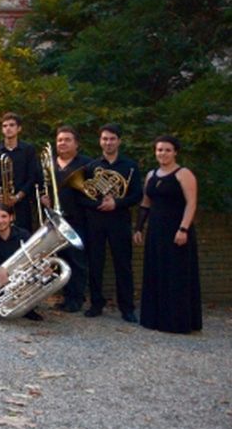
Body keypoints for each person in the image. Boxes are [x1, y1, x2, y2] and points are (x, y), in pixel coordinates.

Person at [133, 136, 201, 334]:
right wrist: (138, 228)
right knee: (156, 273)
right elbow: (146, 204)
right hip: (156, 232)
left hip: (176, 231)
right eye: (159, 150)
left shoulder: (184, 174)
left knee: (176, 275)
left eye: (167, 150)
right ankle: (156, 320)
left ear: (175, 152)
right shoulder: (151, 175)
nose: (163, 153)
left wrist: (183, 229)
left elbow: (191, 203)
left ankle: (177, 322)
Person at [81, 124, 141, 322]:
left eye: (112, 139)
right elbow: (83, 195)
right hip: (96, 220)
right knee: (95, 263)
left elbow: (137, 195)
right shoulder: (91, 167)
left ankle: (127, 308)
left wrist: (117, 202)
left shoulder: (130, 166)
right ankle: (96, 304)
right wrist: (99, 203)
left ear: (119, 141)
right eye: (105, 139)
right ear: (100, 141)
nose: (108, 142)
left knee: (123, 264)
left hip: (119, 220)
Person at [40, 126, 91, 313]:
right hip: (55, 220)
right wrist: (44, 200)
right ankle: (65, 297)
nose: (62, 143)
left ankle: (76, 299)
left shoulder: (86, 164)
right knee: (61, 260)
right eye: (60, 140)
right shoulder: (50, 164)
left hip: (77, 219)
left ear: (76, 143)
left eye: (67, 139)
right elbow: (43, 187)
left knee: (77, 261)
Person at [0, 204, 43, 320]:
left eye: (4, 216)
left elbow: (35, 254)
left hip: (20, 271)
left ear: (11, 218)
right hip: (0, 273)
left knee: (39, 270)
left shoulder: (23, 234)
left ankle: (28, 307)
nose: (0, 220)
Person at [0, 112, 40, 232]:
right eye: (5, 126)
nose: (8, 128)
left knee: (23, 235)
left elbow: (32, 177)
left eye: (11, 125)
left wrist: (17, 196)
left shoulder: (28, 150)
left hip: (21, 203)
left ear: (19, 128)